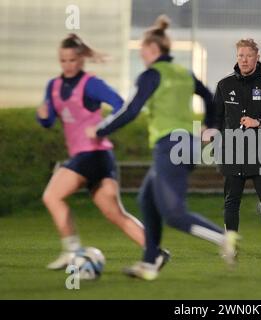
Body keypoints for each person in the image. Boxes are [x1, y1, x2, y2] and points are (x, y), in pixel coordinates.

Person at [87, 15, 239, 281]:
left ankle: (223, 238)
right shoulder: (183, 72)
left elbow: (130, 110)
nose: (142, 54)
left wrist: (100, 130)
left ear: (154, 50)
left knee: (174, 214)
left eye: (143, 50)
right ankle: (151, 259)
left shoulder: (150, 75)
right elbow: (211, 97)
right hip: (187, 145)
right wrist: (212, 124)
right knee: (146, 199)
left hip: (169, 146)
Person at [37, 34, 145, 270]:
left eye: (73, 60)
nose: (68, 65)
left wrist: (101, 126)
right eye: (63, 60)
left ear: (82, 60)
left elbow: (120, 105)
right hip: (95, 158)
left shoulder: (91, 84)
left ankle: (72, 251)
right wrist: (43, 116)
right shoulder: (53, 86)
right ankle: (154, 252)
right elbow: (49, 120)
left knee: (52, 196)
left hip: (93, 154)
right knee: (115, 213)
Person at [212, 38, 261, 258]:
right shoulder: (224, 85)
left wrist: (260, 122)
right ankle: (231, 247)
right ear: (237, 57)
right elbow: (216, 117)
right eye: (240, 56)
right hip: (233, 152)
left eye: (248, 55)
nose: (244, 60)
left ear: (257, 57)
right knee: (231, 201)